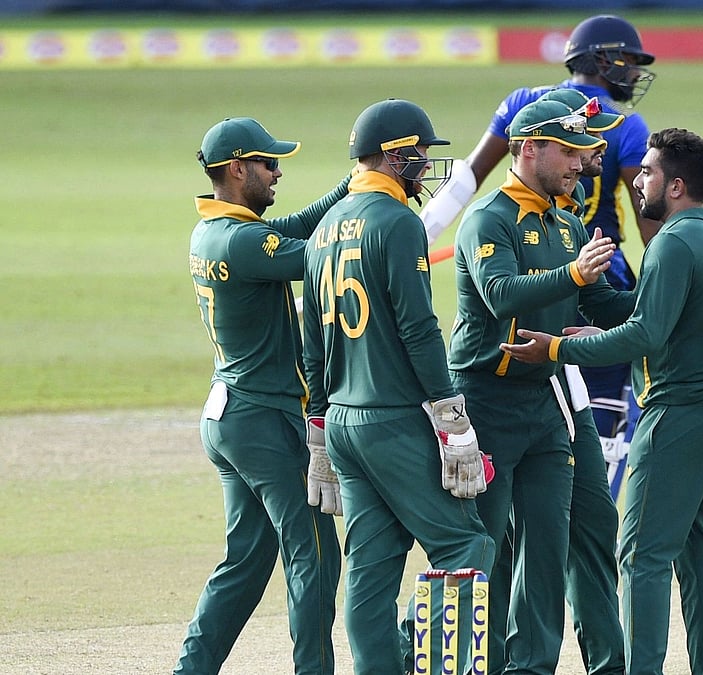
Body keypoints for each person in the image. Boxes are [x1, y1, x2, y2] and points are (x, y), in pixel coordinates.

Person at [500, 127, 703, 675]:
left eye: (650, 172)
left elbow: (645, 336)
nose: (638, 179)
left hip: (680, 410)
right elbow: (644, 313)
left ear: (677, 186)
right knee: (701, 552)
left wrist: (559, 348)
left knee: (641, 555)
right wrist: (588, 292)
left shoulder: (673, 242)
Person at [421, 14, 659, 492]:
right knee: (604, 418)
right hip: (598, 268)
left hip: (544, 273)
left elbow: (467, 177)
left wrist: (419, 237)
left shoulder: (521, 103)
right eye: (626, 61)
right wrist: (669, 279)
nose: (633, 72)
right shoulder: (628, 126)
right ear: (597, 59)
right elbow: (648, 216)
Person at [300, 99, 495, 674]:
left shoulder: (323, 229)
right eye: (418, 156)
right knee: (463, 546)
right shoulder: (397, 222)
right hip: (393, 417)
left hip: (341, 421)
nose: (424, 168)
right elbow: (417, 327)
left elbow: (311, 341)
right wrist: (451, 415)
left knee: (372, 566)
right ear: (393, 156)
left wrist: (317, 428)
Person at [447, 98, 634, 675]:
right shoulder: (489, 218)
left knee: (548, 547)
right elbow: (501, 293)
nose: (581, 163)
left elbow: (597, 303)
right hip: (486, 402)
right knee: (481, 545)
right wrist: (575, 272)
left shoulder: (567, 219)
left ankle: (532, 667)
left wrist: (671, 291)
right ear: (529, 148)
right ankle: (445, 656)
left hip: (548, 398)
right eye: (569, 151)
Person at [180, 117, 347, 675]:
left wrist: (356, 187)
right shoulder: (246, 241)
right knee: (317, 556)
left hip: (228, 414)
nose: (277, 173)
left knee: (247, 562)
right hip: (266, 421)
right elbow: (321, 256)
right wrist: (371, 219)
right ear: (236, 168)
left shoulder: (214, 232)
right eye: (268, 164)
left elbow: (296, 226)